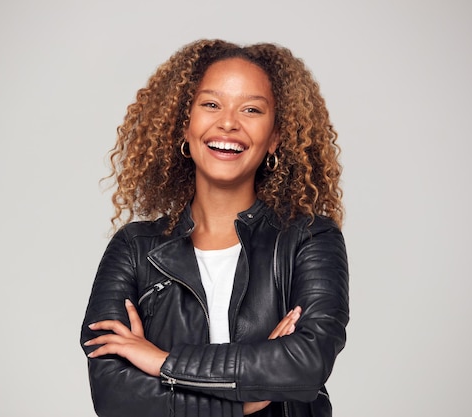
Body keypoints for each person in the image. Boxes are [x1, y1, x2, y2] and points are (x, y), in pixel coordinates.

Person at [80, 39, 349, 417]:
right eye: (210, 104)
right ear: (184, 126)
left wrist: (162, 363)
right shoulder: (134, 249)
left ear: (275, 137)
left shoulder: (309, 239)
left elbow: (306, 364)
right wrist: (249, 398)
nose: (228, 122)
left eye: (252, 109)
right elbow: (114, 397)